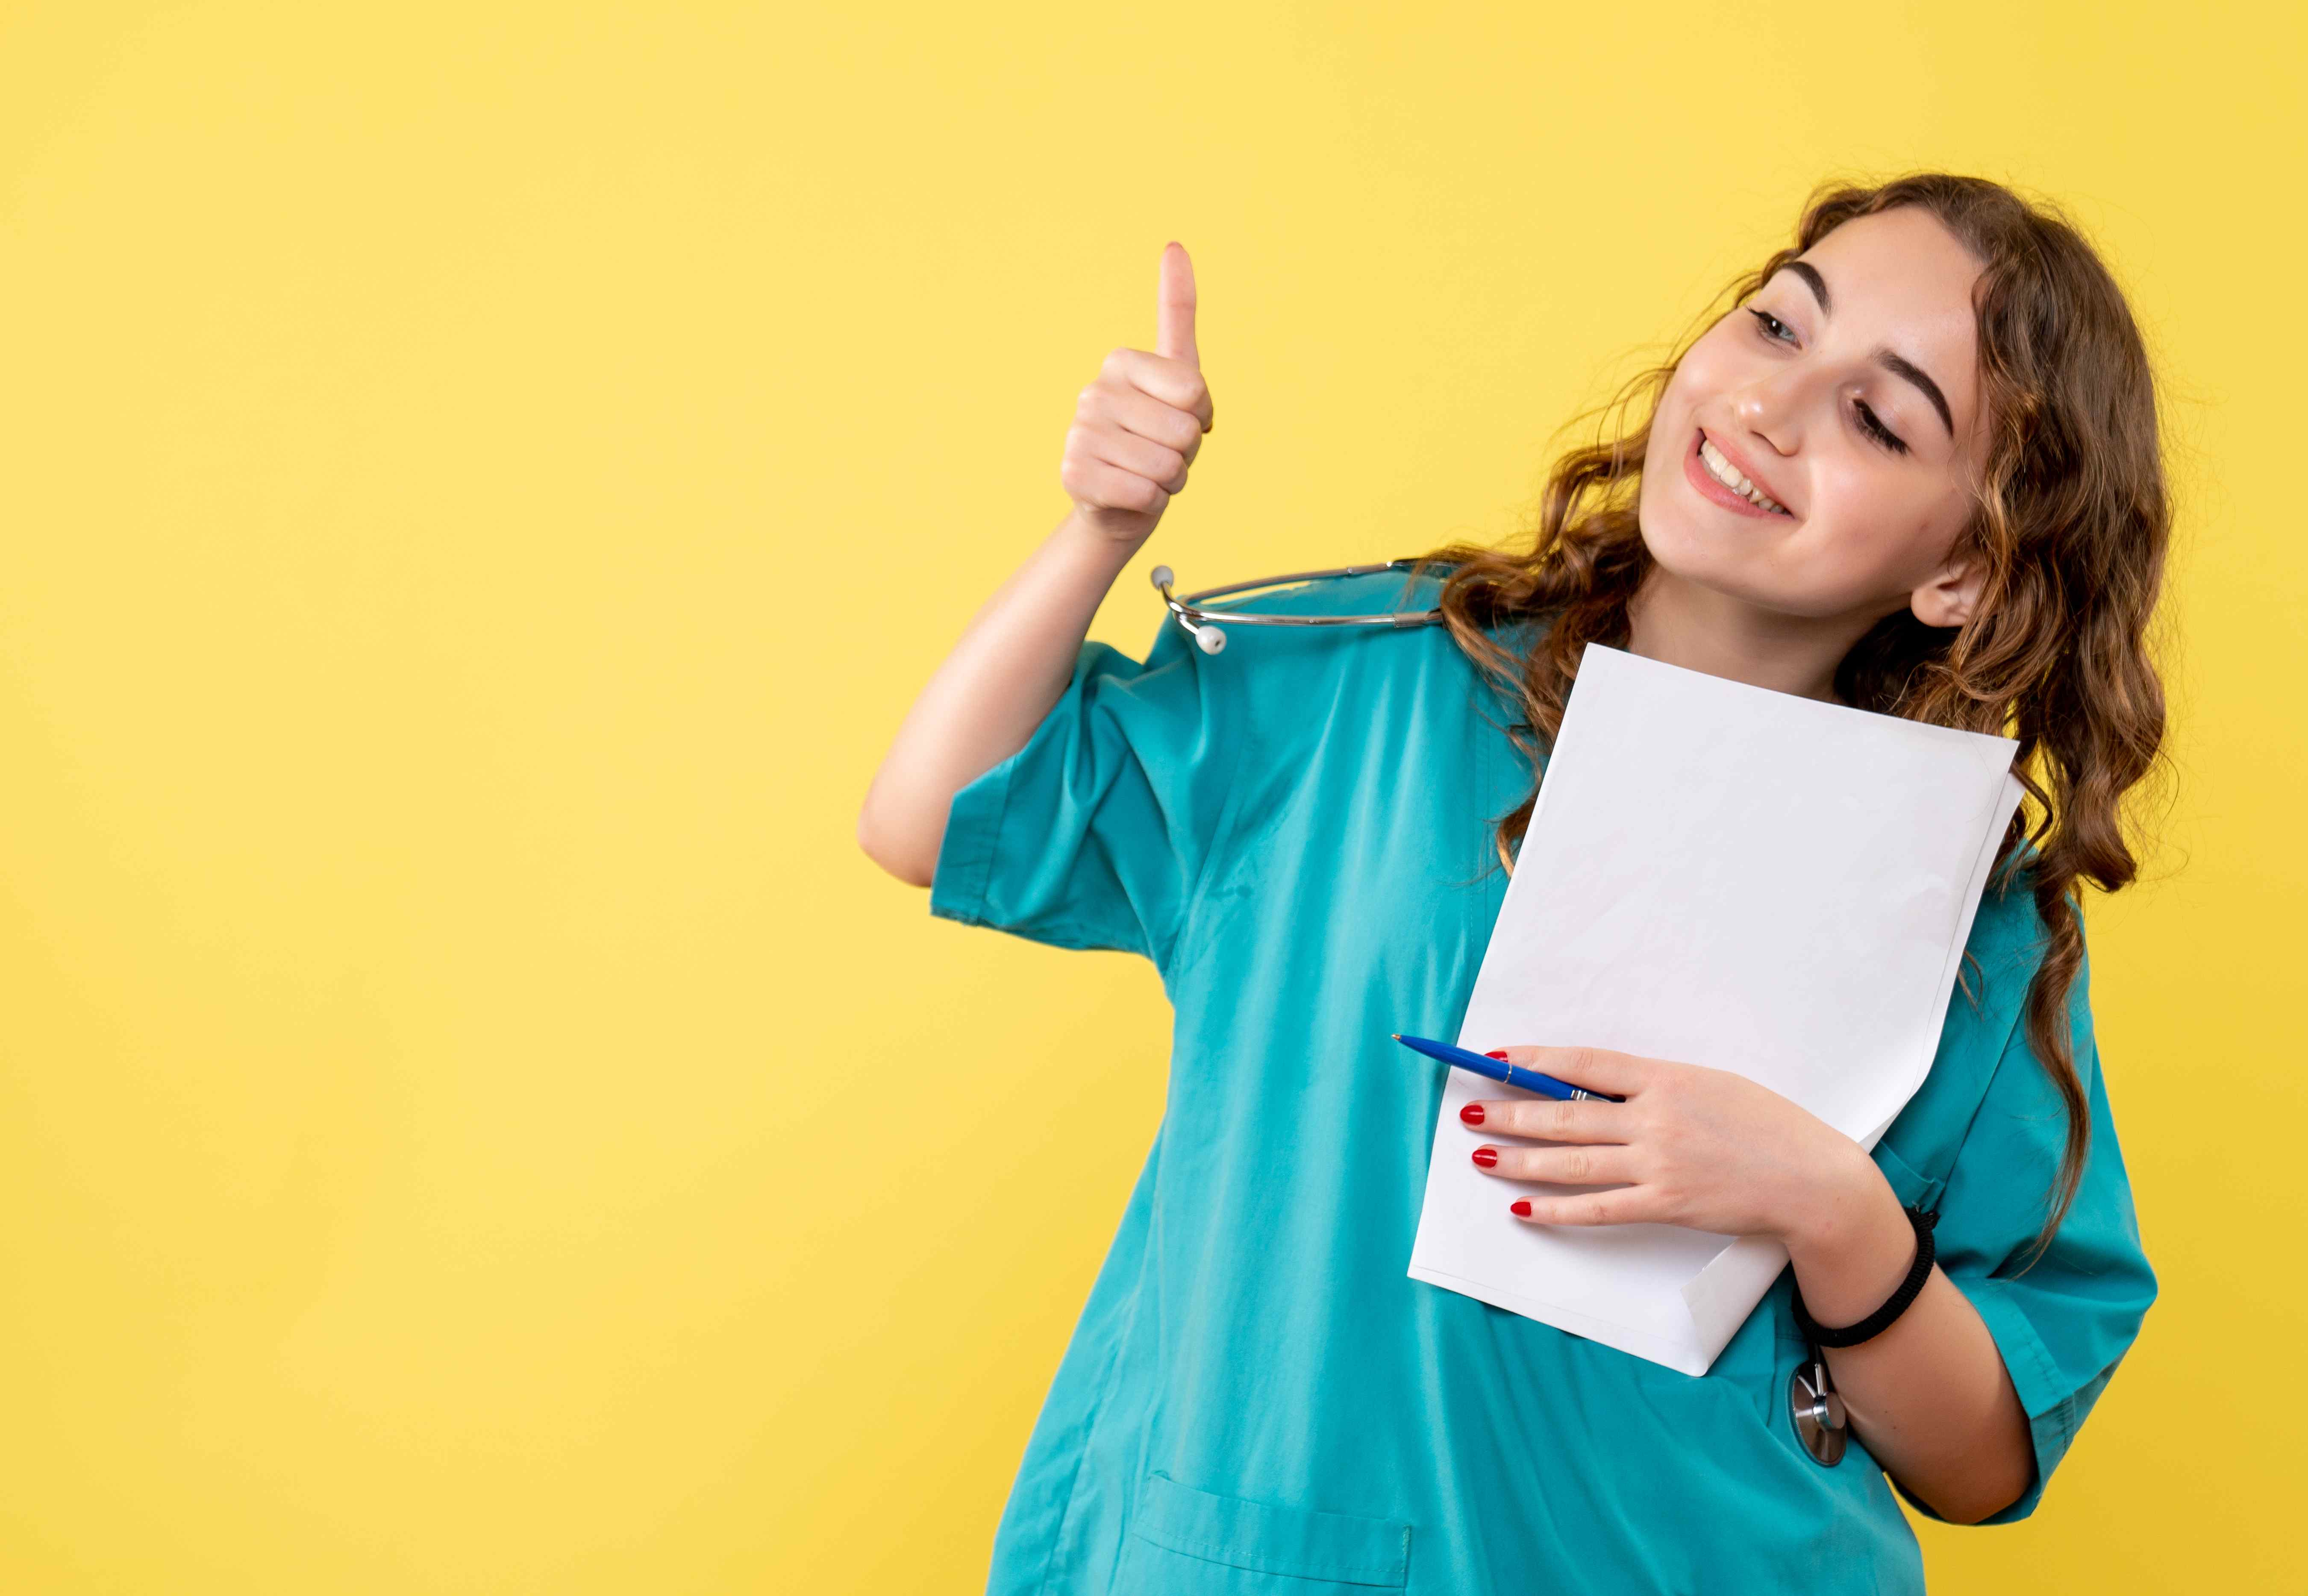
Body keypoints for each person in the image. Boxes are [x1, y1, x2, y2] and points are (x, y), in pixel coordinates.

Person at [858, 172, 2165, 1594]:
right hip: (1253, 1547)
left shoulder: (1962, 911)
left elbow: (1981, 1466)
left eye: (1878, 417)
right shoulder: (1378, 683)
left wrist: (1828, 1206)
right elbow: (934, 820)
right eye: (1779, 327)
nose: (1769, 410)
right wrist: (1099, 534)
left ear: (1966, 570)